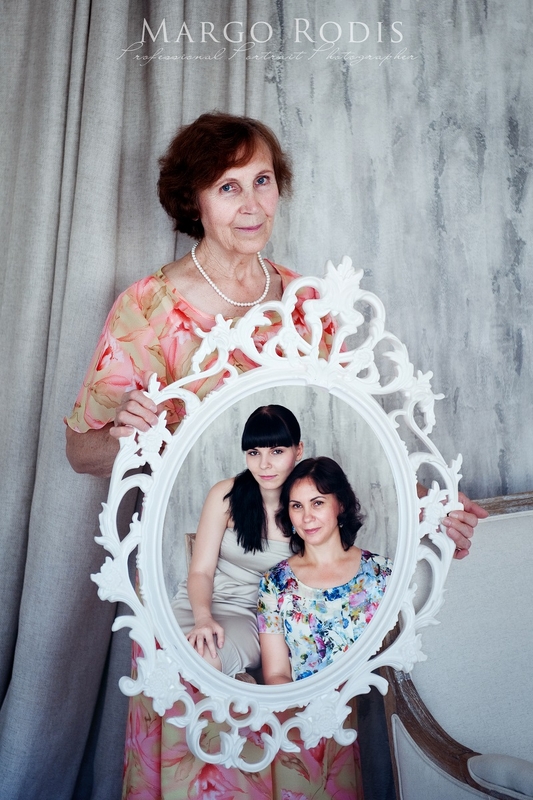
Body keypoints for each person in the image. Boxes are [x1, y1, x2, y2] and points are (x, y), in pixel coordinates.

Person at [64, 112, 487, 799]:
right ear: (193, 201)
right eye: (228, 187)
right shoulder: (148, 308)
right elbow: (79, 452)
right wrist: (121, 434)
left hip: (304, 594)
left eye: (262, 180)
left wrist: (430, 509)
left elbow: (353, 442)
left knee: (301, 765)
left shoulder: (306, 305)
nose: (252, 203)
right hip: (193, 589)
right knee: (207, 767)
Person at [171, 404, 303, 680]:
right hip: (200, 603)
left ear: (298, 450)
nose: (264, 464)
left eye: (277, 451)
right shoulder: (226, 495)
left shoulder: (308, 505)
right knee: (162, 649)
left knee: (201, 658)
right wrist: (203, 618)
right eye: (254, 453)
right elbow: (201, 571)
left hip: (256, 617)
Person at [258, 457, 393, 684]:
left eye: (317, 503)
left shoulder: (383, 573)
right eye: (297, 506)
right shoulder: (274, 583)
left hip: (375, 701)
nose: (307, 517)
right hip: (303, 705)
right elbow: (275, 674)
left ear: (341, 504)